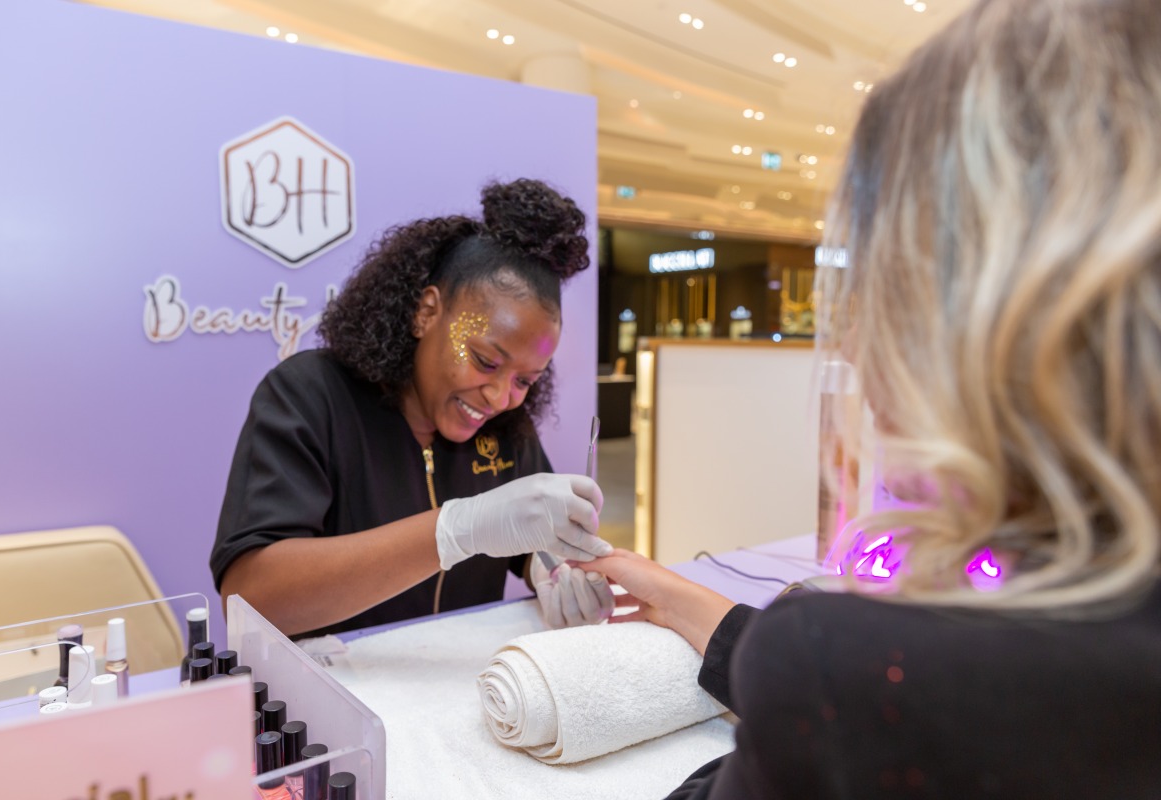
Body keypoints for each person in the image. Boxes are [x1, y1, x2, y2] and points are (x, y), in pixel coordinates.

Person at [581, 0, 1161, 796]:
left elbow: (871, 710)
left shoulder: (862, 669)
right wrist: (695, 606)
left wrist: (803, 671)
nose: (854, 348)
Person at [211, 178, 614, 639]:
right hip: (335, 692)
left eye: (526, 380)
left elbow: (523, 541)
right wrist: (455, 529)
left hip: (454, 692)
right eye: (485, 361)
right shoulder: (309, 396)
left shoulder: (506, 429)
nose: (501, 398)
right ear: (426, 313)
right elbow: (251, 598)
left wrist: (547, 566)